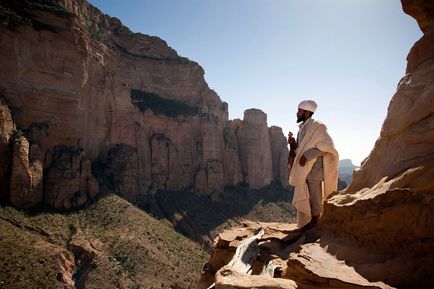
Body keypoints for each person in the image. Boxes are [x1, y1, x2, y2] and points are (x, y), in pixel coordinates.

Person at [287, 100, 339, 230]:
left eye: (299, 111)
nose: (297, 113)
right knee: (307, 196)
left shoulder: (318, 126)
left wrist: (307, 155)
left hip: (315, 170)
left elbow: (328, 147)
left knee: (315, 198)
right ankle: (309, 223)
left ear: (306, 112)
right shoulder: (302, 129)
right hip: (304, 170)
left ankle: (316, 225)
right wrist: (293, 144)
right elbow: (300, 149)